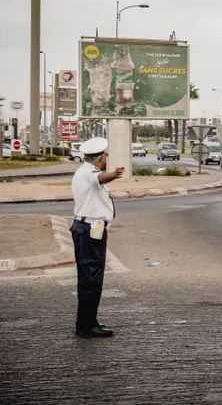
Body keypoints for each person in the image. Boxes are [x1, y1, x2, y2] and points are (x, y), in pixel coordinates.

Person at [71, 137, 123, 337]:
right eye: (105, 156)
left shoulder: (84, 171)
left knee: (90, 278)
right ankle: (87, 325)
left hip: (90, 229)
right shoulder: (89, 172)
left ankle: (85, 322)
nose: (105, 159)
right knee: (91, 278)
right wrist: (114, 175)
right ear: (100, 158)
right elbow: (100, 179)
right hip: (89, 230)